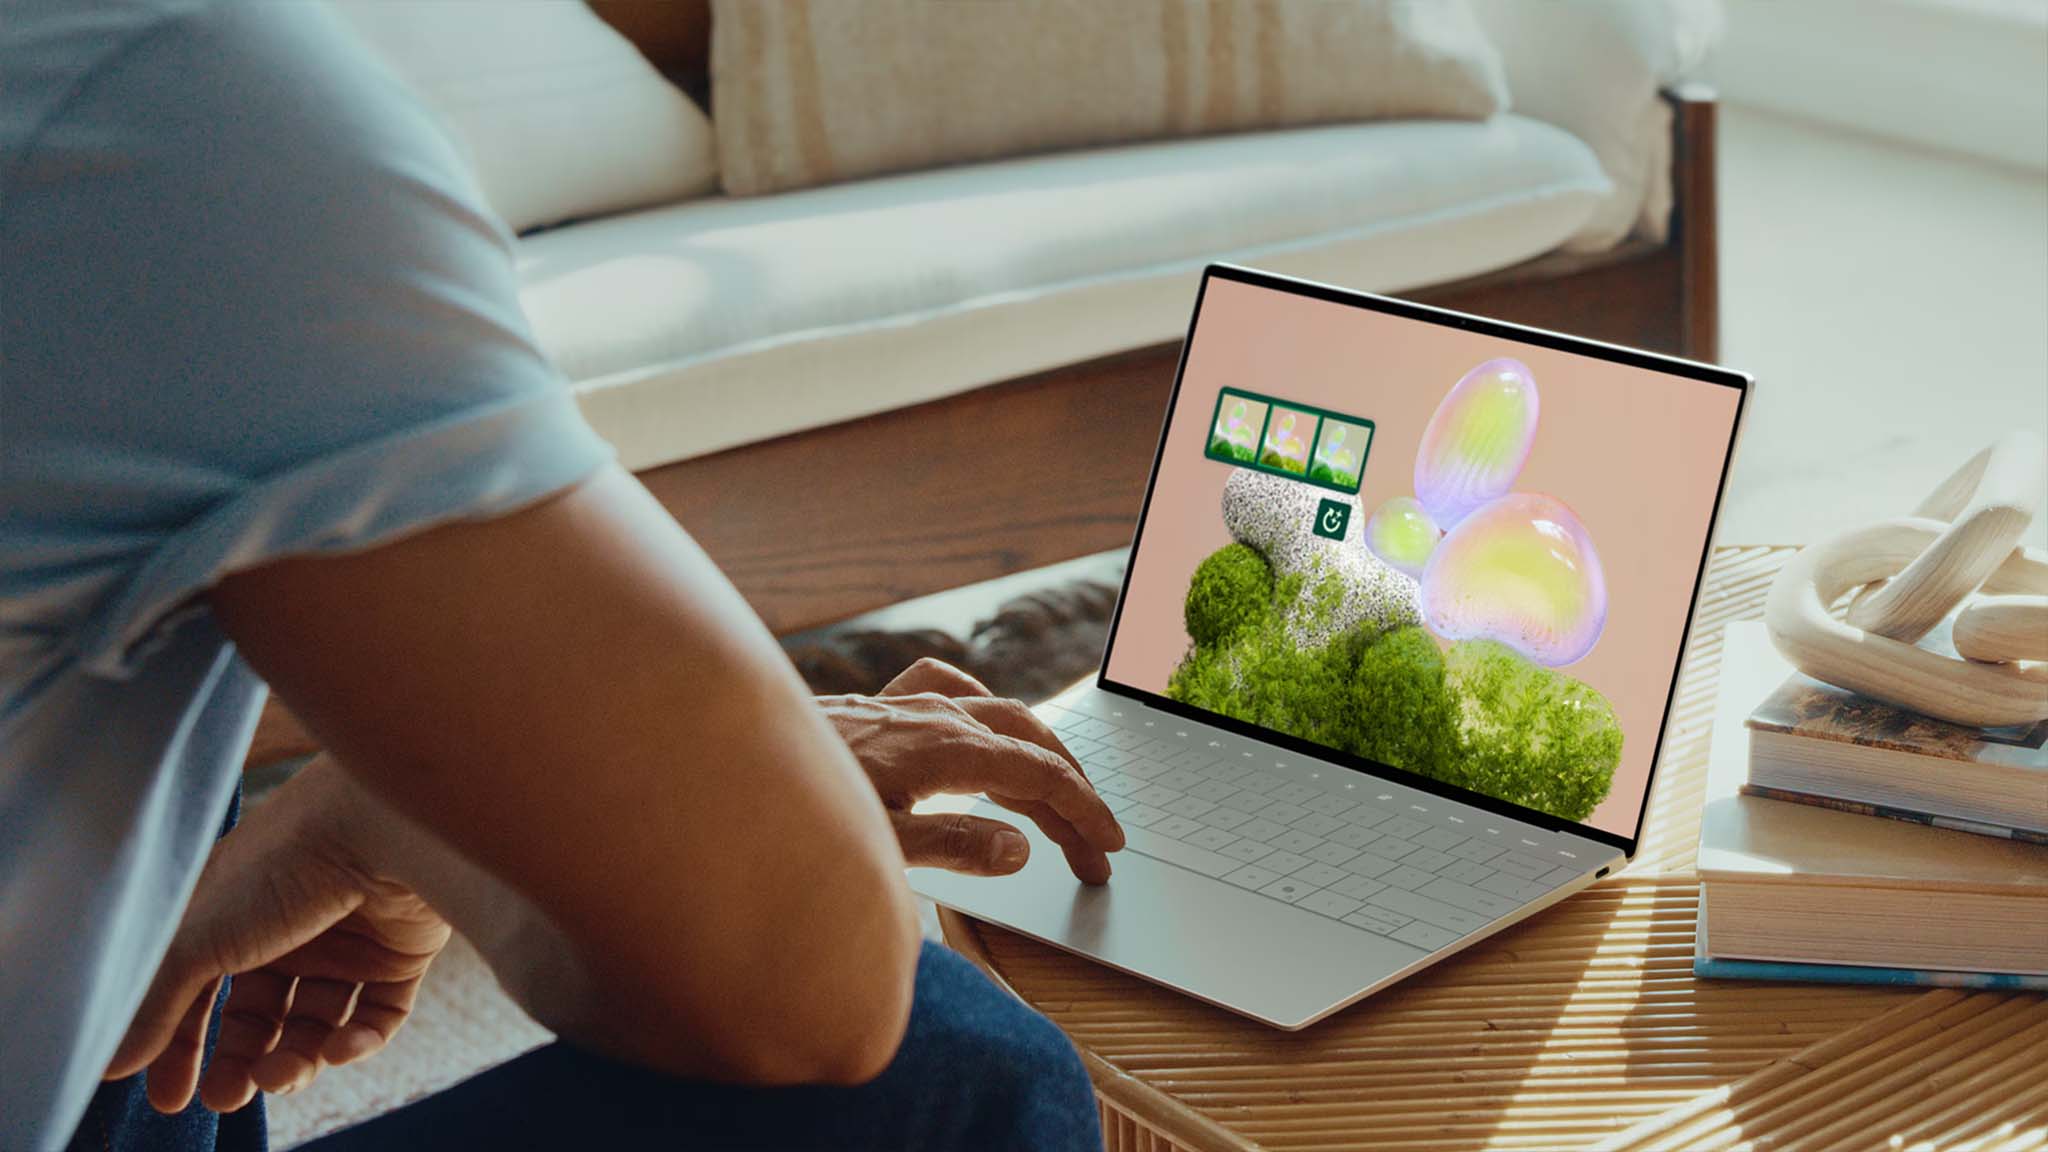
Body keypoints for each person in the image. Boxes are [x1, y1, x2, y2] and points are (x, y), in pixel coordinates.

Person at [0, 2, 1124, 1149]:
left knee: (134, 762)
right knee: (954, 1070)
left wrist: (369, 810)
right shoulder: (165, 101)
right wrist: (669, 802)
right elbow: (807, 986)